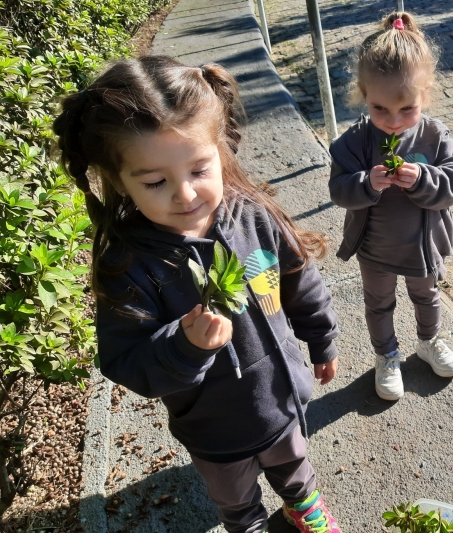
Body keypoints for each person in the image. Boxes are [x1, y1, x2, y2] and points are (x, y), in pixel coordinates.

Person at [54, 56, 342, 533]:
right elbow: (125, 360)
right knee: (234, 496)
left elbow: (297, 278)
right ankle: (245, 524)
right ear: (119, 181)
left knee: (294, 464)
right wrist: (185, 344)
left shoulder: (252, 214)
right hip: (213, 428)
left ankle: (303, 505)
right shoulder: (131, 265)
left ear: (220, 151)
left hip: (282, 396)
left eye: (199, 170)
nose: (185, 195)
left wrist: (321, 338)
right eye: (155, 182)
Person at [328, 12, 453, 401]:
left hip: (422, 247)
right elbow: (338, 190)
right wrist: (365, 183)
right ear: (363, 94)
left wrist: (425, 180)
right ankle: (386, 355)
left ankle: (429, 341)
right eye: (379, 109)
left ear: (425, 95)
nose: (393, 121)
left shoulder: (435, 136)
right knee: (379, 302)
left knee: (427, 296)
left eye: (407, 108)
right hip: (374, 250)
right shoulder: (353, 142)